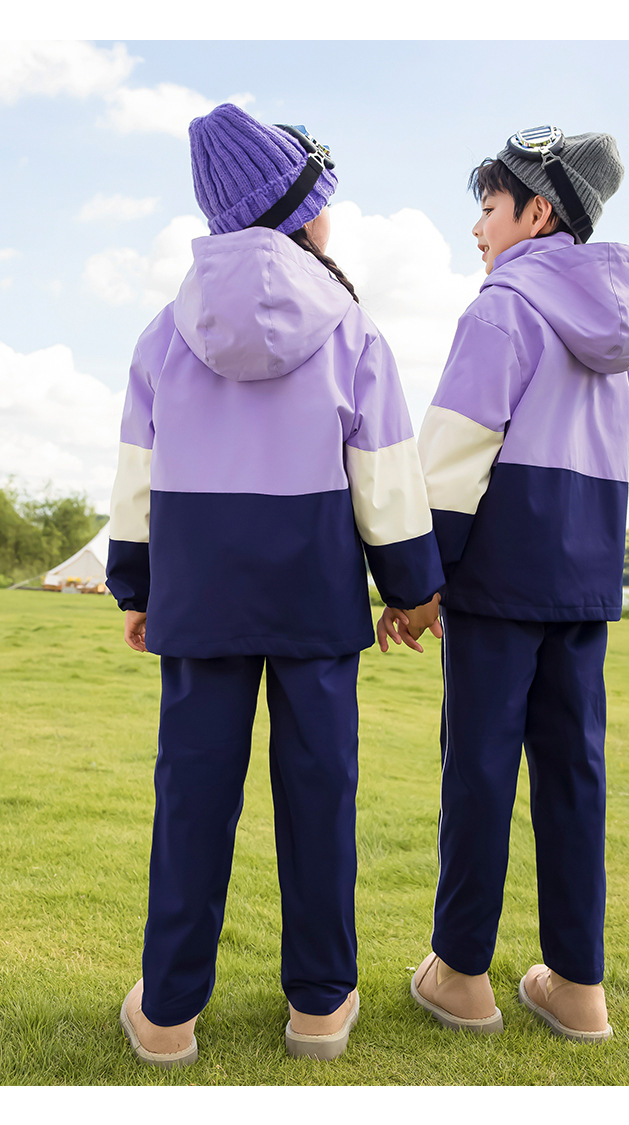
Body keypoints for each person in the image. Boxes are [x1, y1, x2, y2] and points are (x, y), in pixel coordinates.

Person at [106, 103, 443, 1066]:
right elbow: (386, 477)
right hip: (315, 601)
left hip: (201, 600)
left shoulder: (163, 333)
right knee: (319, 796)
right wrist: (412, 586)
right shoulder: (351, 328)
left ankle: (167, 1016)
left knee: (191, 800)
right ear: (301, 211)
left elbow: (136, 479)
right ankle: (320, 1009)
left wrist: (137, 586)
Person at [380, 125, 629, 1042]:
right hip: (582, 582)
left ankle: (461, 974)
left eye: (489, 207)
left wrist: (416, 580)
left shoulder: (502, 307)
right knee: (575, 775)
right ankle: (578, 987)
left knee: (480, 772)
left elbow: (453, 455)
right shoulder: (616, 326)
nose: (478, 228)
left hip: (497, 580)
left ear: (537, 213)